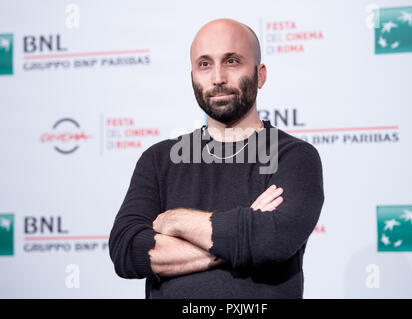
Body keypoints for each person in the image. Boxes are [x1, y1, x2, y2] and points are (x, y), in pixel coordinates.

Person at [109, 18, 324, 299]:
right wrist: (242, 232)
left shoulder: (294, 157)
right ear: (192, 78)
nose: (218, 77)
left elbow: (272, 240)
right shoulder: (158, 160)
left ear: (260, 75)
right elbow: (128, 252)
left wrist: (174, 220)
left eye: (232, 61)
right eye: (204, 64)